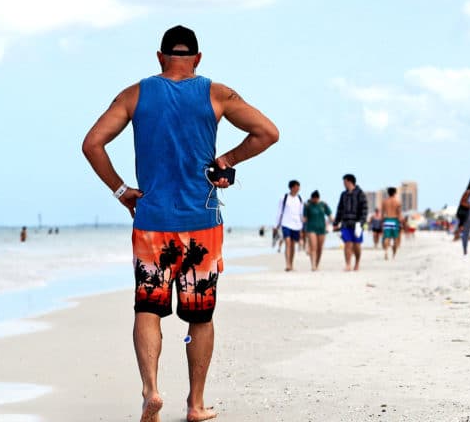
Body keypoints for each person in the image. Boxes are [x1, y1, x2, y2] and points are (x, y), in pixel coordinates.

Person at [81, 25, 278, 422]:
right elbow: (267, 133)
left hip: (152, 222)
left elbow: (92, 144)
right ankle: (196, 404)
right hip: (201, 223)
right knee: (199, 317)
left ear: (160, 57)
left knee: (148, 308)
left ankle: (152, 391)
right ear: (198, 59)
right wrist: (227, 160)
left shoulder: (135, 94)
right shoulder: (216, 93)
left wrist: (122, 192)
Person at [333, 174, 368, 271]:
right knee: (347, 243)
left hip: (357, 224)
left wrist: (361, 222)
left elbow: (364, 209)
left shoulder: (360, 193)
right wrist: (336, 223)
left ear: (349, 181)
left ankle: (357, 263)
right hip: (345, 223)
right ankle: (348, 264)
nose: (343, 184)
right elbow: (339, 209)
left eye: (344, 182)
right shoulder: (343, 195)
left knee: (357, 245)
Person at [275, 180, 304, 272]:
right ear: (292, 187)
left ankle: (291, 264)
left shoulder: (300, 198)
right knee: (287, 243)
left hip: (297, 225)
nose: (298, 188)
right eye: (297, 186)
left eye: (299, 187)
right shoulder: (284, 198)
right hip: (285, 223)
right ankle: (287, 264)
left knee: (293, 245)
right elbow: (279, 212)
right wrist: (276, 225)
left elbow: (301, 214)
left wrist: (302, 227)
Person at [303, 190, 333, 271]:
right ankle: (313, 265)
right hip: (311, 228)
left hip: (321, 228)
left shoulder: (323, 205)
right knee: (313, 247)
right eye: (313, 199)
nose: (315, 201)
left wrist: (334, 224)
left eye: (316, 199)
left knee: (319, 248)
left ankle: (317, 264)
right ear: (311, 198)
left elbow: (330, 216)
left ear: (318, 198)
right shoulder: (307, 205)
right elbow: (304, 219)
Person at [381, 187, 403, 260]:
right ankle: (393, 255)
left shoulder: (384, 202)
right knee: (395, 238)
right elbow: (399, 214)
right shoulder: (397, 202)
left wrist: (382, 222)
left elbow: (382, 214)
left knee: (387, 237)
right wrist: (401, 222)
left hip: (387, 220)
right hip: (394, 220)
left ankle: (386, 252)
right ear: (395, 193)